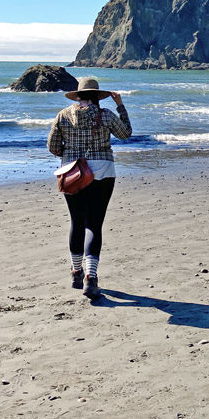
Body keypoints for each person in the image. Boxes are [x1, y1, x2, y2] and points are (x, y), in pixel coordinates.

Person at [47, 77, 132, 300]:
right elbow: (126, 134)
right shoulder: (106, 115)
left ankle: (77, 272)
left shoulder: (63, 115)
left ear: (78, 95)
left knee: (76, 221)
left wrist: (71, 154)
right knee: (94, 223)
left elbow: (53, 147)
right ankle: (91, 278)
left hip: (72, 172)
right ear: (97, 96)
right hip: (103, 170)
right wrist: (120, 106)